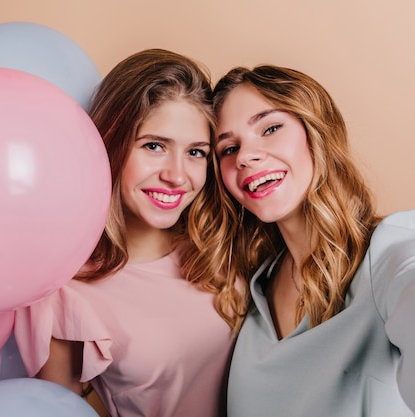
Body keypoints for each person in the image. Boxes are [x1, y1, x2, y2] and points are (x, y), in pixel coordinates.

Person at [211, 64, 415, 417]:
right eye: (228, 149)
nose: (246, 156)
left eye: (271, 128)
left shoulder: (387, 251)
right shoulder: (253, 289)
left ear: (317, 131)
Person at [14, 49, 247, 417]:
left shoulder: (222, 242)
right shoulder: (69, 292)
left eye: (196, 153)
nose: (177, 174)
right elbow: (55, 409)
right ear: (112, 143)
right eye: (154, 146)